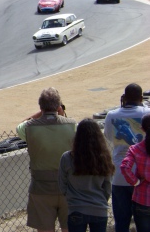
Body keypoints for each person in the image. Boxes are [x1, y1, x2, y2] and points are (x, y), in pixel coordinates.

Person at [16, 87, 77, 232]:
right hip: (69, 187)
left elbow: (20, 126)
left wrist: (42, 112)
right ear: (58, 107)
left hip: (41, 189)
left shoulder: (30, 127)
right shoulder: (72, 125)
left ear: (41, 106)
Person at [104, 83, 150, 232]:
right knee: (143, 223)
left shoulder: (112, 115)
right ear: (141, 98)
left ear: (124, 98)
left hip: (120, 174)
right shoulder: (147, 112)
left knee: (121, 223)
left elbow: (109, 137)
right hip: (143, 175)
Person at [59, 118, 115, 232]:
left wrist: (72, 199)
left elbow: (62, 184)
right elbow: (108, 186)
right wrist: (100, 200)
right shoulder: (104, 158)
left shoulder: (67, 158)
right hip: (99, 209)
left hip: (76, 208)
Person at [120, 113, 150, 232]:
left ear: (142, 128)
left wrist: (136, 182)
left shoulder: (135, 149)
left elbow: (124, 167)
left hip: (141, 200)